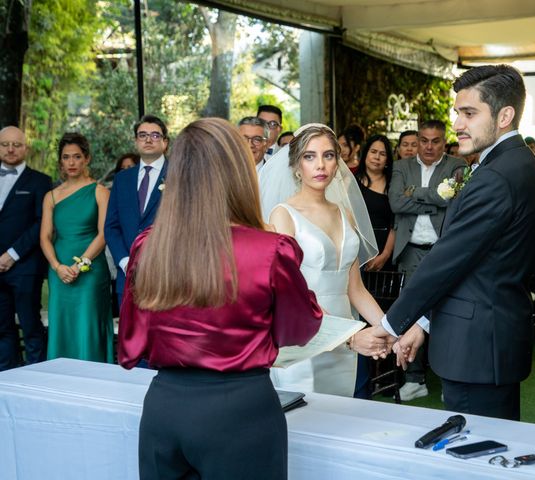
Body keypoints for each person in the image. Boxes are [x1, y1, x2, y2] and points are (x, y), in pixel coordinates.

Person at [118, 117, 323, 480]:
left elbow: (132, 344)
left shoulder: (149, 246)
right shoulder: (270, 250)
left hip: (165, 405)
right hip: (239, 410)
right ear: (238, 173)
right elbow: (300, 329)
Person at [363, 64, 535, 421]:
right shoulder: (514, 164)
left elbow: (446, 261)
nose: (458, 124)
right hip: (485, 337)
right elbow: (475, 264)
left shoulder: (497, 175)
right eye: (457, 113)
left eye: (469, 113)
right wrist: (424, 322)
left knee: (474, 454)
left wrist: (390, 326)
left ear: (505, 115)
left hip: (477, 345)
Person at [261, 124, 394, 397]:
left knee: (340, 413)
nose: (320, 165)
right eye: (309, 156)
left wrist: (389, 329)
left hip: (345, 332)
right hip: (303, 338)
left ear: (338, 162)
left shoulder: (345, 213)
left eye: (328, 155)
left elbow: (355, 289)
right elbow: (289, 295)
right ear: (297, 165)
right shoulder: (283, 215)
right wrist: (349, 337)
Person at [388, 120, 466, 401]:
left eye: (436, 141)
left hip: (444, 250)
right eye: (424, 140)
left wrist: (417, 194)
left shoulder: (458, 166)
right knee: (412, 314)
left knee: (449, 314)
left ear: (444, 142)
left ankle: (450, 379)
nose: (429, 146)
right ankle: (414, 378)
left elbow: (454, 201)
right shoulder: (400, 167)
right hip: (410, 250)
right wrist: (435, 199)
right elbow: (396, 203)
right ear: (417, 141)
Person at [40, 133, 113, 361]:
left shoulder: (100, 192)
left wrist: (81, 264)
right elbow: (45, 237)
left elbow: (104, 234)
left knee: (88, 324)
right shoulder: (50, 197)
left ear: (87, 159)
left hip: (90, 271)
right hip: (59, 271)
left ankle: (93, 382)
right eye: (66, 157)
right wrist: (57, 267)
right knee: (62, 324)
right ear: (61, 161)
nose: (71, 163)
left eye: (77, 157)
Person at [0, 126, 51, 371]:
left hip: (25, 266)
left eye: (16, 144)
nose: (10, 149)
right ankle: (6, 380)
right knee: (2, 329)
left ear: (26, 148)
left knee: (31, 327)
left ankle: (35, 379)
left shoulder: (41, 181)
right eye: (5, 144)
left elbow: (41, 222)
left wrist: (11, 254)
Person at [105, 115, 168, 306]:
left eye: (155, 135)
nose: (148, 140)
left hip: (165, 274)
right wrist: (125, 262)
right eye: (142, 135)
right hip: (127, 276)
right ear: (136, 141)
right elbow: (111, 226)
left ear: (165, 142)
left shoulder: (179, 175)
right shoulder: (122, 179)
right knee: (129, 334)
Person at [355, 134, 395, 272]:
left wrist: (385, 255)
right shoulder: (351, 182)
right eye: (373, 152)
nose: (377, 157)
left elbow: (396, 223)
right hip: (356, 250)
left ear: (388, 159)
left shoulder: (394, 185)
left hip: (384, 250)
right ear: (365, 154)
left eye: (382, 154)